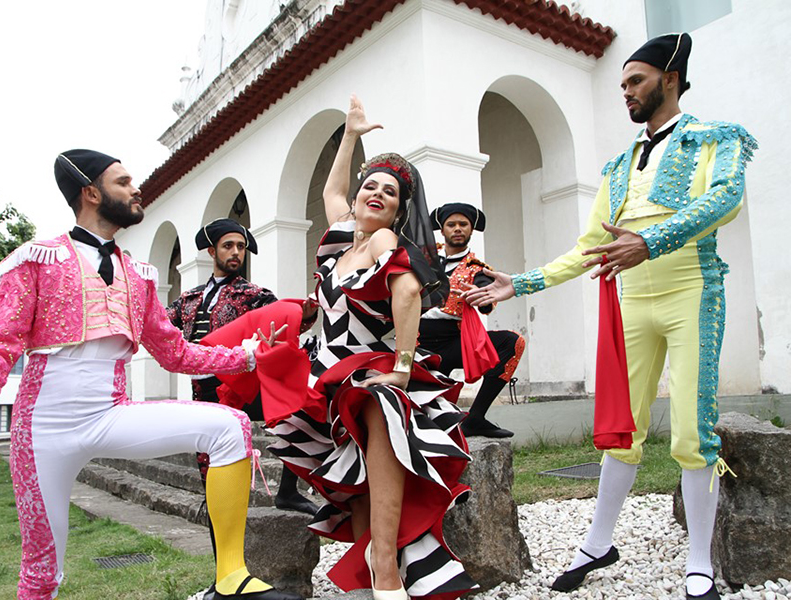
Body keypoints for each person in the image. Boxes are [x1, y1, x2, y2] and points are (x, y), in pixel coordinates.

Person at [0, 149, 301, 600]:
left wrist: (246, 357)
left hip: (111, 413)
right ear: (91, 193)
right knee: (40, 575)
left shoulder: (139, 275)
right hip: (43, 429)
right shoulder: (37, 259)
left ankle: (230, 578)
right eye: (123, 182)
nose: (137, 190)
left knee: (228, 427)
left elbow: (174, 352)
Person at [467, 34, 756, 600]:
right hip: (632, 304)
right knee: (621, 429)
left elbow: (726, 199)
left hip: (692, 293)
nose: (625, 92)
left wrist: (650, 242)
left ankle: (700, 560)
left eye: (635, 81)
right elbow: (592, 246)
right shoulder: (620, 164)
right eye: (622, 83)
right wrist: (520, 282)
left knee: (693, 432)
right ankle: (598, 543)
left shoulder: (714, 140)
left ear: (669, 79)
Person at [268, 96, 476, 600]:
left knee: (379, 408)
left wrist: (403, 369)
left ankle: (386, 571)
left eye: (390, 192)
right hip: (327, 370)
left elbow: (406, 291)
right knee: (349, 463)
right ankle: (369, 564)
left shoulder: (384, 242)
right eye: (371, 187)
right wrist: (350, 134)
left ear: (400, 210)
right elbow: (332, 188)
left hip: (371, 364)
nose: (376, 194)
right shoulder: (342, 238)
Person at [167, 218, 319, 515]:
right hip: (202, 392)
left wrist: (306, 314)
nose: (236, 252)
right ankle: (220, 555)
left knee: (304, 410)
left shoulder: (253, 294)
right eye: (228, 246)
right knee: (212, 478)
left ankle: (287, 490)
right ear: (212, 251)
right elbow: (159, 325)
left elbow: (284, 320)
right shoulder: (188, 299)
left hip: (239, 386)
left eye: (241, 247)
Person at [418, 202, 525, 438]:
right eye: (452, 224)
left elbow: (487, 295)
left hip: (451, 343)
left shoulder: (477, 270)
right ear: (443, 229)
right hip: (415, 341)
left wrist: (481, 297)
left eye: (463, 224)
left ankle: (476, 418)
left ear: (471, 229)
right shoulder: (423, 257)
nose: (457, 229)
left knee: (512, 342)